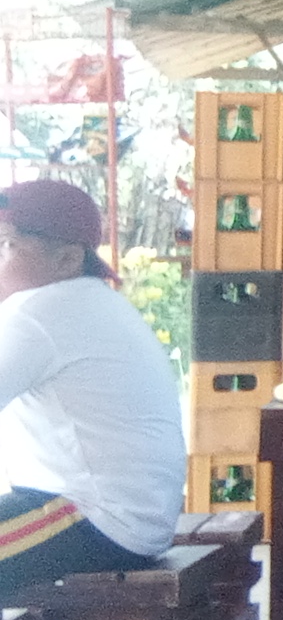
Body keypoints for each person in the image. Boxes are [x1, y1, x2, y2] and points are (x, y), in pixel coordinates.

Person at [0, 179, 184, 594]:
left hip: (94, 520)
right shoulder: (88, 302)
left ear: (67, 259)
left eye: (6, 245)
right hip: (122, 519)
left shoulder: (38, 312)